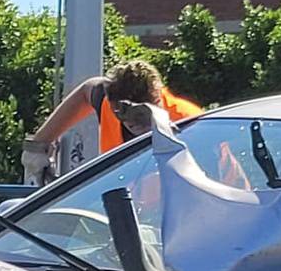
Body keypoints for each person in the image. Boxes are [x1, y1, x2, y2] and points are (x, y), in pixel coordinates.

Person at [22, 60, 202, 182]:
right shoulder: (109, 101)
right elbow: (87, 90)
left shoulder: (190, 123)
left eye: (140, 114)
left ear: (157, 101)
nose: (132, 123)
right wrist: (39, 144)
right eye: (121, 113)